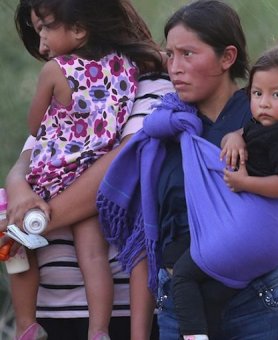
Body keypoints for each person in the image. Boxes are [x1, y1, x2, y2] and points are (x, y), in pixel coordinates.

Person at [98, 2, 278, 339]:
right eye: (170, 55)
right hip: (183, 306)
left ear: (227, 57)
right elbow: (150, 227)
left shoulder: (269, 114)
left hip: (262, 300)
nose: (175, 67)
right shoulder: (165, 130)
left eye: (188, 54)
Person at [2, 0, 170, 339]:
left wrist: (26, 223)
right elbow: (27, 157)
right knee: (89, 254)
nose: (42, 45)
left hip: (126, 310)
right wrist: (20, 191)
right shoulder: (126, 74)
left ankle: (24, 324)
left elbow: (119, 165)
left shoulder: (153, 83)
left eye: (45, 29)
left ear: (79, 28)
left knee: (15, 250)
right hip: (56, 305)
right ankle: (94, 330)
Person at [151, 46, 278, 340]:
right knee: (210, 297)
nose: (263, 103)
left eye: (277, 95)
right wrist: (234, 137)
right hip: (247, 256)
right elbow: (249, 133)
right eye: (257, 94)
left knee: (185, 278)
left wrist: (244, 183)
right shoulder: (259, 125)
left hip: (249, 258)